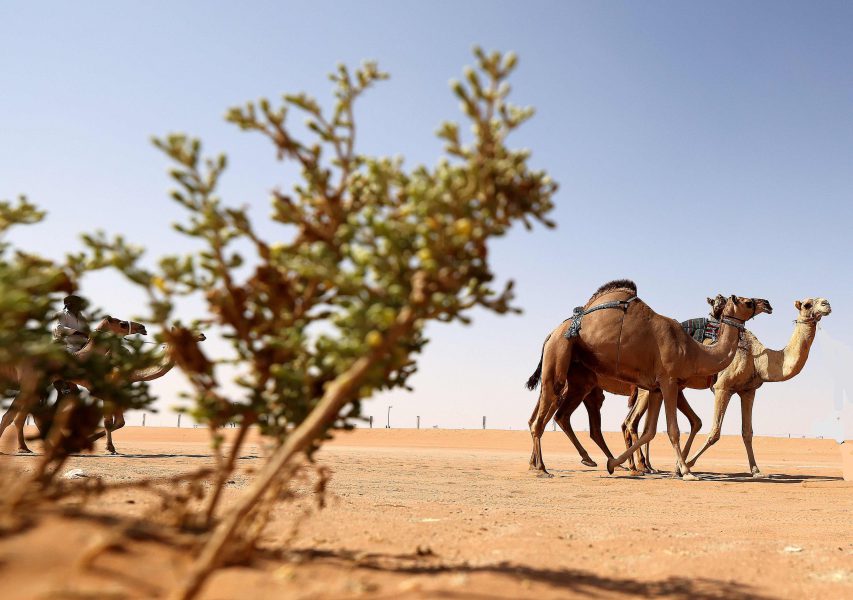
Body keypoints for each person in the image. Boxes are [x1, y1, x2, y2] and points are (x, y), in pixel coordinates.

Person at [52, 294, 91, 396]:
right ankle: (64, 384)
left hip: (82, 345)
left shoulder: (82, 317)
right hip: (65, 345)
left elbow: (88, 331)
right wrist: (79, 333)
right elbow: (59, 329)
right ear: (69, 304)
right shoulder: (61, 314)